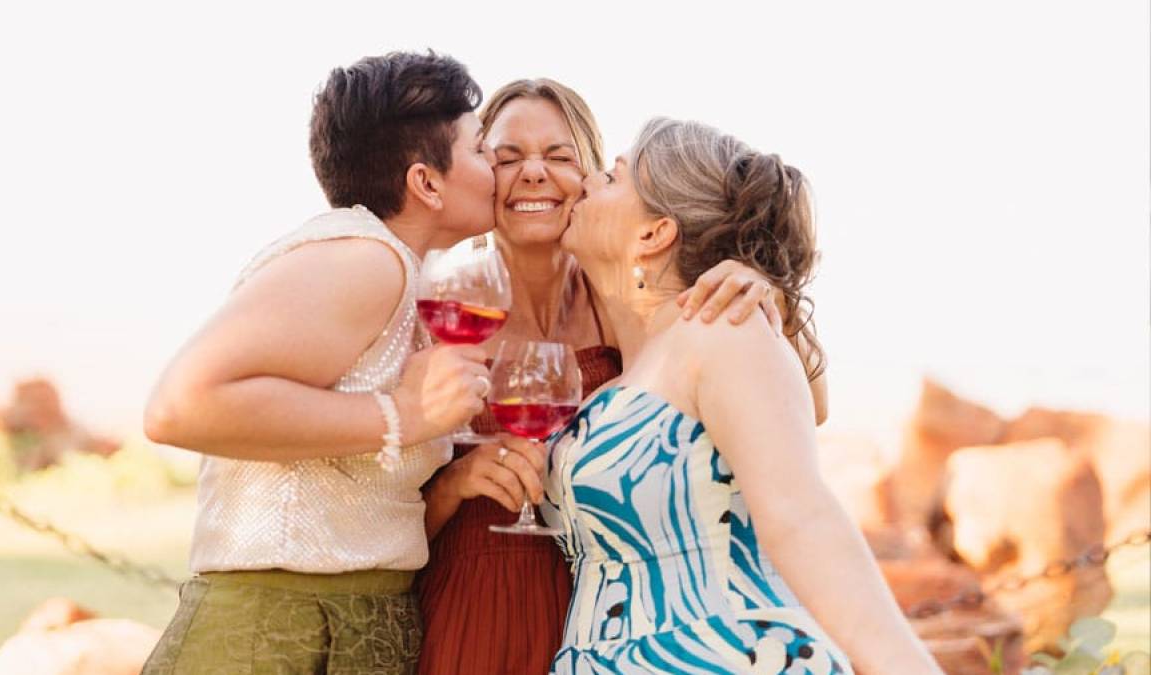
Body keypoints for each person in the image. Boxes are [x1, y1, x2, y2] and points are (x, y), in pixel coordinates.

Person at [416, 80, 827, 675]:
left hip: (606, 602)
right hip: (476, 603)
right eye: (505, 157)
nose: (533, 173)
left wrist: (763, 300)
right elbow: (387, 522)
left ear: (587, 177)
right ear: (480, 172)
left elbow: (803, 410)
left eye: (559, 156)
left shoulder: (628, 298)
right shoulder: (446, 312)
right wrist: (455, 484)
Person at [139, 51, 498, 674]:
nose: (496, 168)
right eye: (480, 149)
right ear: (427, 182)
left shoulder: (411, 277)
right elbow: (180, 406)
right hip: (281, 632)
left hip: (364, 627)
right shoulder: (363, 257)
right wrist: (404, 414)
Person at [543, 118, 943, 674]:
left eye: (613, 178)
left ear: (654, 233)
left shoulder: (723, 330)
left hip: (728, 654)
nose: (587, 181)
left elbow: (801, 515)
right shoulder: (631, 369)